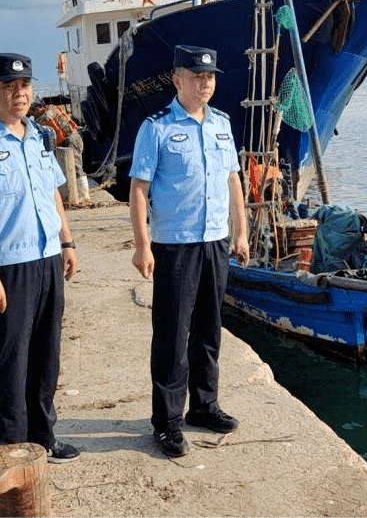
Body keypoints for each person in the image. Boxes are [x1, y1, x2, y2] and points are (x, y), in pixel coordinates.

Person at [0, 53, 81, 463]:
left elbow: (54, 194)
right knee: (8, 362)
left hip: (46, 260)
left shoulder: (40, 137)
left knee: (46, 357)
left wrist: (68, 242)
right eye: (8, 87)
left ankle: (43, 437)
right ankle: (7, 446)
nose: (19, 93)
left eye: (24, 86)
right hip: (7, 267)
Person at [129, 44, 250, 458]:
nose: (205, 84)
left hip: (214, 240)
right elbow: (139, 190)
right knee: (171, 333)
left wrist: (241, 232)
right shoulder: (157, 127)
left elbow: (234, 181)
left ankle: (204, 405)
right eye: (197, 77)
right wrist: (142, 246)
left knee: (208, 328)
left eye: (211, 77)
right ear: (177, 79)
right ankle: (166, 421)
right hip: (175, 245)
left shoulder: (221, 124)